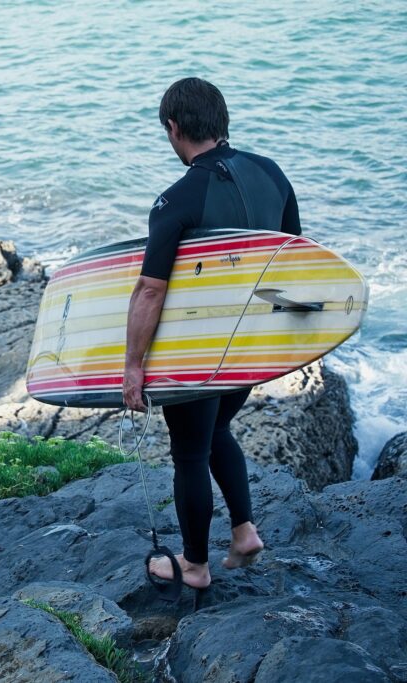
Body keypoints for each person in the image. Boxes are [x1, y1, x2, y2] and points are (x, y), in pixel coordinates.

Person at [122, 78, 301, 589]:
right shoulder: (273, 174)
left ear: (174, 129)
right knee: (217, 429)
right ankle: (243, 532)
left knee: (190, 453)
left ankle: (195, 565)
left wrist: (133, 368)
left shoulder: (175, 201)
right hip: (250, 348)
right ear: (221, 123)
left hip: (198, 351)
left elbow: (150, 293)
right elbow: (296, 261)